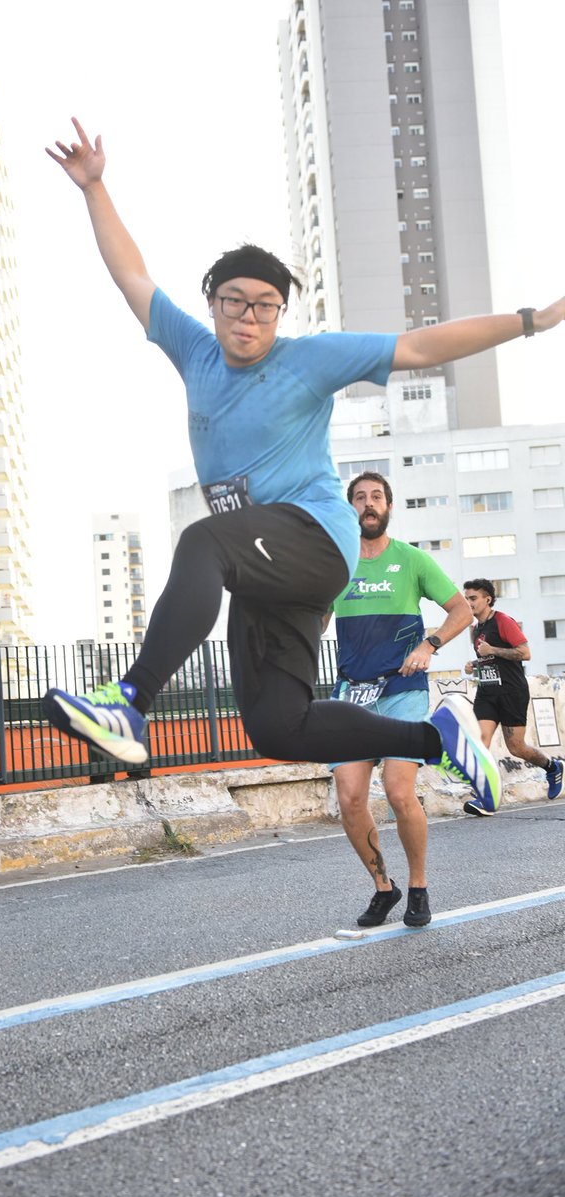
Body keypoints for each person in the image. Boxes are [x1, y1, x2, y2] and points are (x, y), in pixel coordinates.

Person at [42, 116, 565, 816]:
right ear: (214, 305)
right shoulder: (192, 348)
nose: (249, 319)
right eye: (235, 303)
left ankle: (129, 703)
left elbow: (421, 346)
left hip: (315, 536)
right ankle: (437, 738)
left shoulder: (308, 358)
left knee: (201, 539)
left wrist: (534, 319)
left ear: (280, 313)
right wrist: (95, 188)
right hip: (263, 569)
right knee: (276, 725)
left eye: (266, 307)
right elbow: (131, 274)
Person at [326, 473, 471, 928]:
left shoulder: (410, 560)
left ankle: (418, 887)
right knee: (349, 798)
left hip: (402, 692)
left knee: (398, 791)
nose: (368, 505)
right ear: (350, 508)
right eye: (360, 499)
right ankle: (383, 888)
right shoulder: (336, 566)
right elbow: (312, 620)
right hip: (353, 695)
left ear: (388, 506)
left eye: (376, 497)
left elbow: (461, 610)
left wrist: (428, 645)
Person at [463, 578, 563, 812]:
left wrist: (491, 650)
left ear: (487, 599)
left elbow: (524, 653)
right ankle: (484, 798)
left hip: (511, 691)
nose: (469, 603)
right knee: (479, 744)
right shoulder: (475, 629)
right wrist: (475, 664)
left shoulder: (503, 621)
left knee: (516, 747)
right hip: (487, 693)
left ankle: (552, 767)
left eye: (473, 598)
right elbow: (489, 659)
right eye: (466, 598)